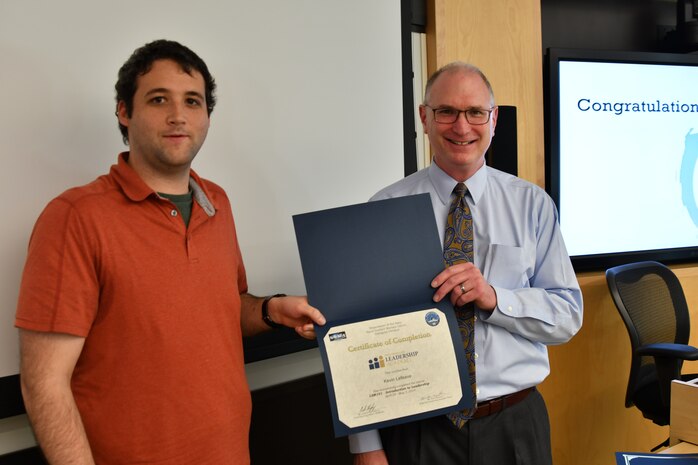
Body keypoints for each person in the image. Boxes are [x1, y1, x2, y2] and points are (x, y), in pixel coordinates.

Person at [14, 39, 325, 465]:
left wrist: (272, 310)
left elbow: (220, 310)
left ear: (207, 117)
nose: (178, 115)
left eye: (192, 101)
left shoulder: (217, 202)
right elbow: (43, 383)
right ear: (124, 111)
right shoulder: (75, 217)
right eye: (159, 99)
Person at [350, 62, 583, 465]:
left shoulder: (533, 206)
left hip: (514, 424)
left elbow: (567, 316)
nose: (462, 127)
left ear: (493, 119)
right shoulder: (383, 210)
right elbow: (359, 334)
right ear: (424, 117)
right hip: (418, 429)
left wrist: (496, 298)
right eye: (447, 112)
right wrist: (366, 445)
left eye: (475, 112)